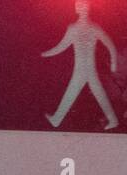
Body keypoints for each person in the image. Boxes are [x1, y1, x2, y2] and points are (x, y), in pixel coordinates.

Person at [42, 0, 120, 130]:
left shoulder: (91, 28)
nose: (81, 8)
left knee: (76, 92)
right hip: (84, 69)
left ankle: (57, 119)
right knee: (90, 92)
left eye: (83, 6)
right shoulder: (78, 28)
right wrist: (46, 54)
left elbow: (109, 44)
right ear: (77, 9)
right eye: (79, 6)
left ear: (86, 8)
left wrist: (113, 63)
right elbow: (62, 46)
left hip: (84, 69)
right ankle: (113, 119)